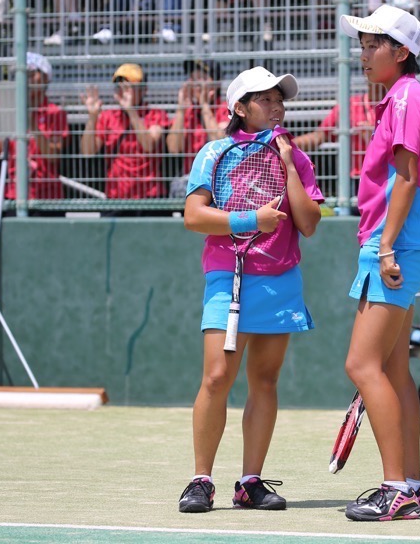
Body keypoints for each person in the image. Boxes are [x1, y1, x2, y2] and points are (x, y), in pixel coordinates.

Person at [177, 66, 323, 513]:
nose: (276, 105)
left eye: (279, 99)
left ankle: (250, 482)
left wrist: (287, 165)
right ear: (239, 108)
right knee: (217, 377)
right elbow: (194, 216)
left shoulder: (294, 155)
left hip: (279, 278)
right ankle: (201, 480)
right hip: (228, 275)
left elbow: (310, 223)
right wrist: (249, 221)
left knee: (265, 379)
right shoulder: (214, 152)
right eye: (265, 98)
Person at [338, 4, 420, 521]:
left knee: (361, 364)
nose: (363, 52)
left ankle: (395, 488)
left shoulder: (405, 98)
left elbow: (406, 179)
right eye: (362, 43)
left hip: (395, 240)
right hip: (403, 239)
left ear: (401, 53)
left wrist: (385, 247)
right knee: (396, 371)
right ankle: (413, 485)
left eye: (372, 44)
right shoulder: (407, 96)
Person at [0, 52, 69, 215]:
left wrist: (32, 124)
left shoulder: (55, 113)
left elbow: (53, 156)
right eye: (21, 75)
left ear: (45, 78)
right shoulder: (9, 108)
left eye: (31, 74)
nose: (25, 80)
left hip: (48, 199)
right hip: (15, 196)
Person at [80, 63, 172, 215]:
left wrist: (131, 111)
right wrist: (92, 118)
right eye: (119, 87)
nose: (123, 92)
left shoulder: (156, 114)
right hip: (117, 197)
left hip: (150, 197)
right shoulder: (108, 117)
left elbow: (149, 145)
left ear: (144, 90)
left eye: (129, 87)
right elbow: (87, 151)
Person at [295, 79, 386, 182]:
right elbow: (320, 135)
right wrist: (287, 144)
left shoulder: (396, 104)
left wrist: (374, 136)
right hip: (357, 178)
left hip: (389, 176)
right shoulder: (350, 105)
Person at [166, 60, 229, 176]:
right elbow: (173, 148)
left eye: (203, 78)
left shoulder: (226, 109)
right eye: (193, 79)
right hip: (190, 179)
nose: (197, 85)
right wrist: (181, 109)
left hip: (219, 178)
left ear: (217, 83)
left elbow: (221, 144)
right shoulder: (188, 111)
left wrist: (204, 105)